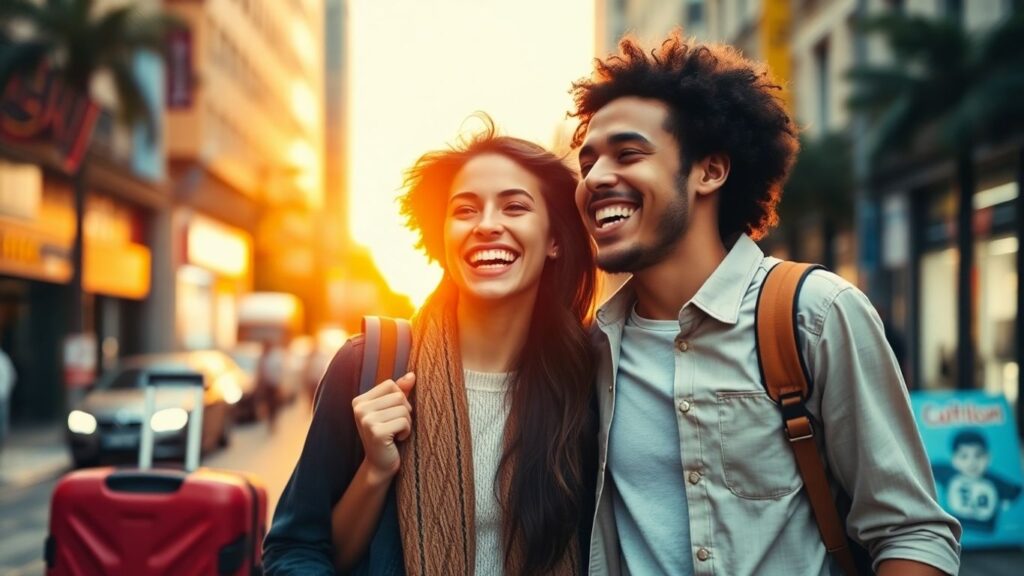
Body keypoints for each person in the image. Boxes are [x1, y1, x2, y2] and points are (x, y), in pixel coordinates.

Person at [568, 33, 961, 576]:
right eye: (587, 163)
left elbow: (912, 533)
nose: (595, 178)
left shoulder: (815, 314)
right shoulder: (592, 349)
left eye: (628, 154)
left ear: (710, 171)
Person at [263, 120, 598, 575]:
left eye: (514, 207)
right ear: (442, 238)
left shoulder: (588, 380)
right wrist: (377, 470)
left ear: (555, 239)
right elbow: (295, 549)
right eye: (464, 211)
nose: (486, 226)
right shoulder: (370, 365)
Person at [932, 429, 1022, 533]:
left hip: (986, 530)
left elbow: (1015, 492)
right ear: (954, 459)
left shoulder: (994, 481)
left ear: (988, 457)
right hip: (955, 528)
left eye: (978, 456)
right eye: (964, 456)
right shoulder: (948, 473)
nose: (972, 462)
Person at [0, 346, 15, 450]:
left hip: (2, 396)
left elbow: (11, 376)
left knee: (2, 423)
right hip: (3, 395)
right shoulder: (4, 358)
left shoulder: (3, 358)